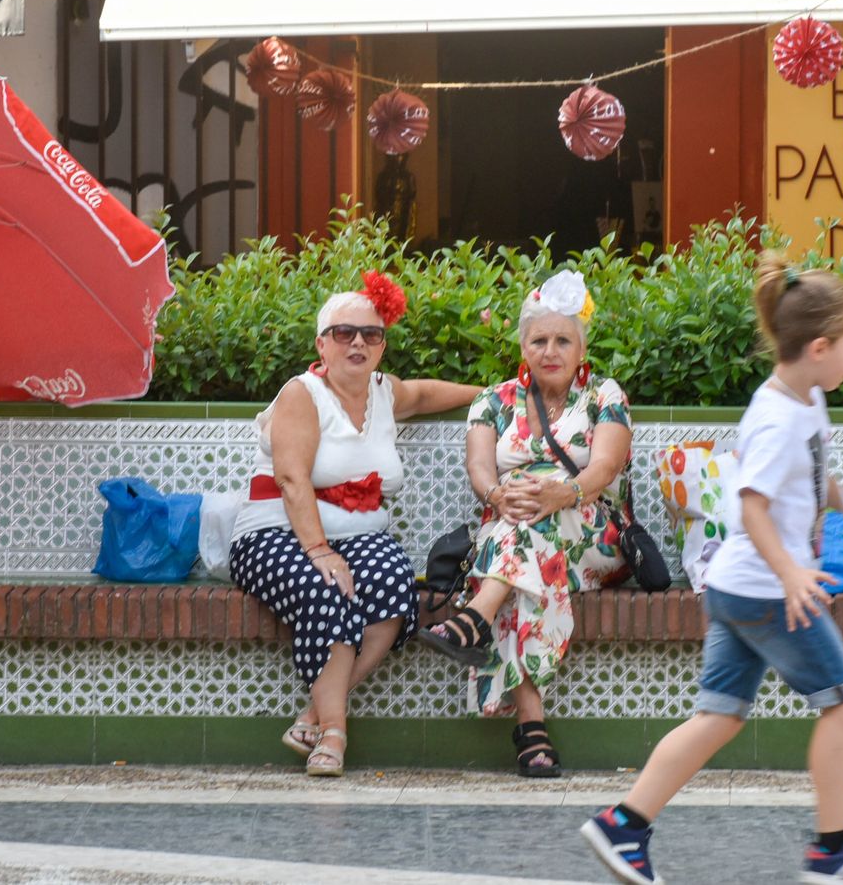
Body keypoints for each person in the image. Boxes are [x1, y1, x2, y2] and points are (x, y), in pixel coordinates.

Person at [579, 255, 843, 885]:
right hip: (767, 591)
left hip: (736, 588)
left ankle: (624, 824)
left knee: (719, 715)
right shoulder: (776, 418)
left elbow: (818, 480)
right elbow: (752, 506)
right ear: (819, 347)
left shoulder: (805, 399)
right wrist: (791, 574)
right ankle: (833, 850)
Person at [229, 271, 479, 777]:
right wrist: (320, 551)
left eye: (371, 334)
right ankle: (335, 733)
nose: (358, 342)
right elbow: (291, 480)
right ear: (322, 344)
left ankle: (313, 715)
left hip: (360, 535)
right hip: (275, 534)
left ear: (382, 347)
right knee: (329, 589)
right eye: (344, 333)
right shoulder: (302, 395)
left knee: (394, 584)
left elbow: (424, 395)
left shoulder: (384, 393)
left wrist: (498, 393)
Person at [418, 270, 633, 777]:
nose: (550, 351)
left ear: (581, 349)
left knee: (520, 541)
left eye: (563, 341)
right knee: (523, 553)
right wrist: (497, 495)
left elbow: (605, 468)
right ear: (523, 346)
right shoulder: (493, 401)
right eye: (539, 341)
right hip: (518, 531)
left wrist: (564, 492)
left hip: (592, 533)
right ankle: (531, 730)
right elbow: (479, 469)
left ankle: (475, 619)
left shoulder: (604, 395)